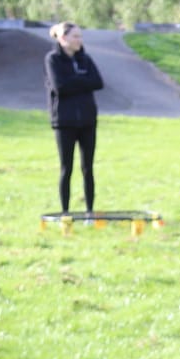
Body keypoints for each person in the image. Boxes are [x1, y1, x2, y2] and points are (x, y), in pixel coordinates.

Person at [44, 21, 103, 215]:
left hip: (87, 121)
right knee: (66, 168)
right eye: (75, 36)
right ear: (63, 39)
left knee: (88, 168)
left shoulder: (85, 59)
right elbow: (60, 87)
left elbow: (98, 82)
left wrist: (75, 81)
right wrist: (81, 81)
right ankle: (65, 212)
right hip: (64, 122)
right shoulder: (52, 60)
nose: (79, 40)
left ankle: (89, 212)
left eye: (80, 36)